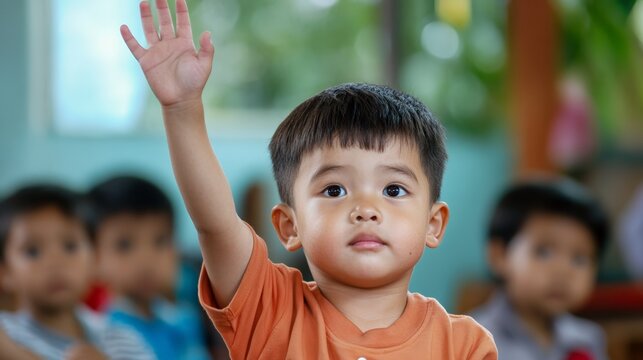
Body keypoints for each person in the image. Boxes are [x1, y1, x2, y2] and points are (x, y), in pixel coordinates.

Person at [120, 0, 497, 358]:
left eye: (393, 189)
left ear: (433, 224)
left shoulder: (464, 345)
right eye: (335, 190)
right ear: (289, 225)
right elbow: (216, 225)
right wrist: (183, 108)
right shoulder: (269, 313)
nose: (366, 209)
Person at [0, 185, 154, 360]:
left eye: (70, 246)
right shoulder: (6, 337)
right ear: (4, 272)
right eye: (33, 251)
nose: (55, 262)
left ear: (95, 260)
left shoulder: (121, 340)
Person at [471, 179, 609, 360]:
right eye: (543, 252)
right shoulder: (472, 339)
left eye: (579, 259)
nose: (563, 271)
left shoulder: (588, 340)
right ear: (500, 255)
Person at [86, 175, 209, 360]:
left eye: (160, 241)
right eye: (124, 245)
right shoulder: (104, 335)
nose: (146, 259)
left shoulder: (185, 321)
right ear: (93, 258)